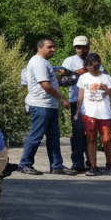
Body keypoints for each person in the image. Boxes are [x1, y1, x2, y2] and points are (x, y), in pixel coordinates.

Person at [18, 37, 73, 176]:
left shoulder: (44, 62)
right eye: (50, 47)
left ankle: (57, 166)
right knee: (36, 135)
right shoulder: (37, 62)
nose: (53, 49)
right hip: (40, 105)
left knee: (54, 137)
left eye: (53, 47)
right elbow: (45, 85)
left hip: (49, 105)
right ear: (40, 47)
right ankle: (25, 164)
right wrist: (61, 99)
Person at [61, 35, 103, 172]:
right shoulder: (69, 61)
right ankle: (77, 162)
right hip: (76, 101)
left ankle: (91, 161)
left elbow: (102, 76)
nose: (80, 50)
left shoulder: (94, 59)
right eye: (78, 47)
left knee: (91, 132)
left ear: (88, 47)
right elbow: (63, 81)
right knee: (78, 132)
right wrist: (78, 73)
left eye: (83, 47)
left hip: (93, 101)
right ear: (74, 48)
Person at [76, 52, 111, 176]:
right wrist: (77, 112)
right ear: (86, 66)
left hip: (104, 112)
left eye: (94, 64)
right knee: (91, 138)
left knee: (107, 138)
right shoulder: (83, 78)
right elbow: (80, 95)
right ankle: (93, 166)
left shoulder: (106, 77)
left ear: (98, 64)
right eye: (88, 65)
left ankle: (108, 161)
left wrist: (107, 90)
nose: (91, 67)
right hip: (88, 112)